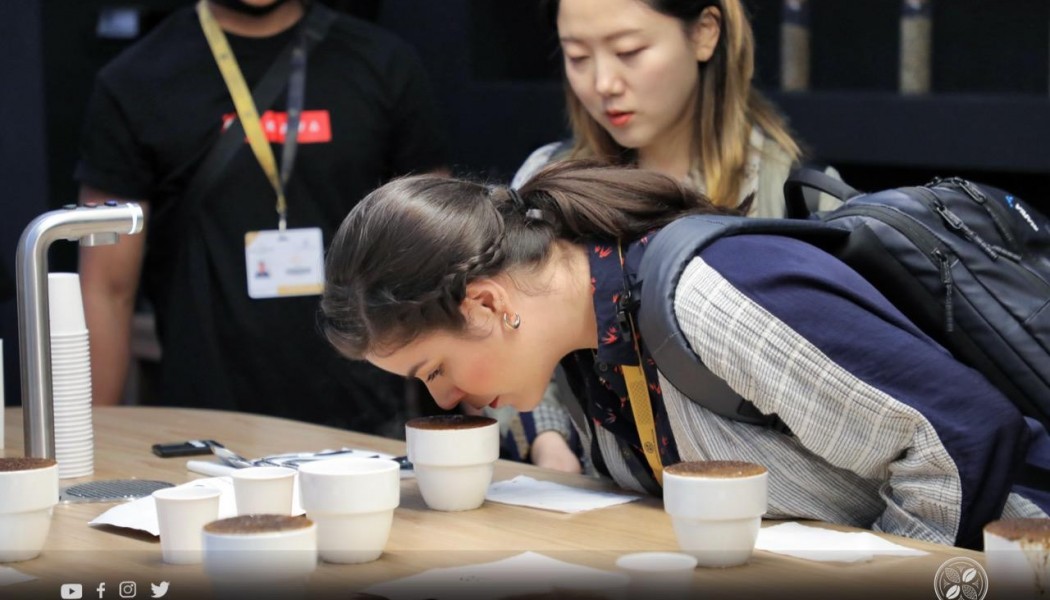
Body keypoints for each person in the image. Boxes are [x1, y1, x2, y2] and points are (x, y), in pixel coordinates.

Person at [319, 161, 1049, 548]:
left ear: (485, 304)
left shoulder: (712, 293)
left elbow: (963, 440)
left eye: (434, 371)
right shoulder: (582, 349)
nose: (444, 401)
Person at [76, 0, 447, 437]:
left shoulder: (383, 63)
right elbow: (106, 288)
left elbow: (440, 255)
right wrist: (90, 442)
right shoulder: (136, 80)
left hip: (362, 415)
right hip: (204, 418)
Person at [507, 0, 844, 473]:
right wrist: (547, 440)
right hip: (590, 489)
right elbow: (501, 330)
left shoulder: (795, 199)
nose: (603, 83)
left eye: (629, 51)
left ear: (705, 32)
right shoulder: (546, 185)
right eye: (578, 56)